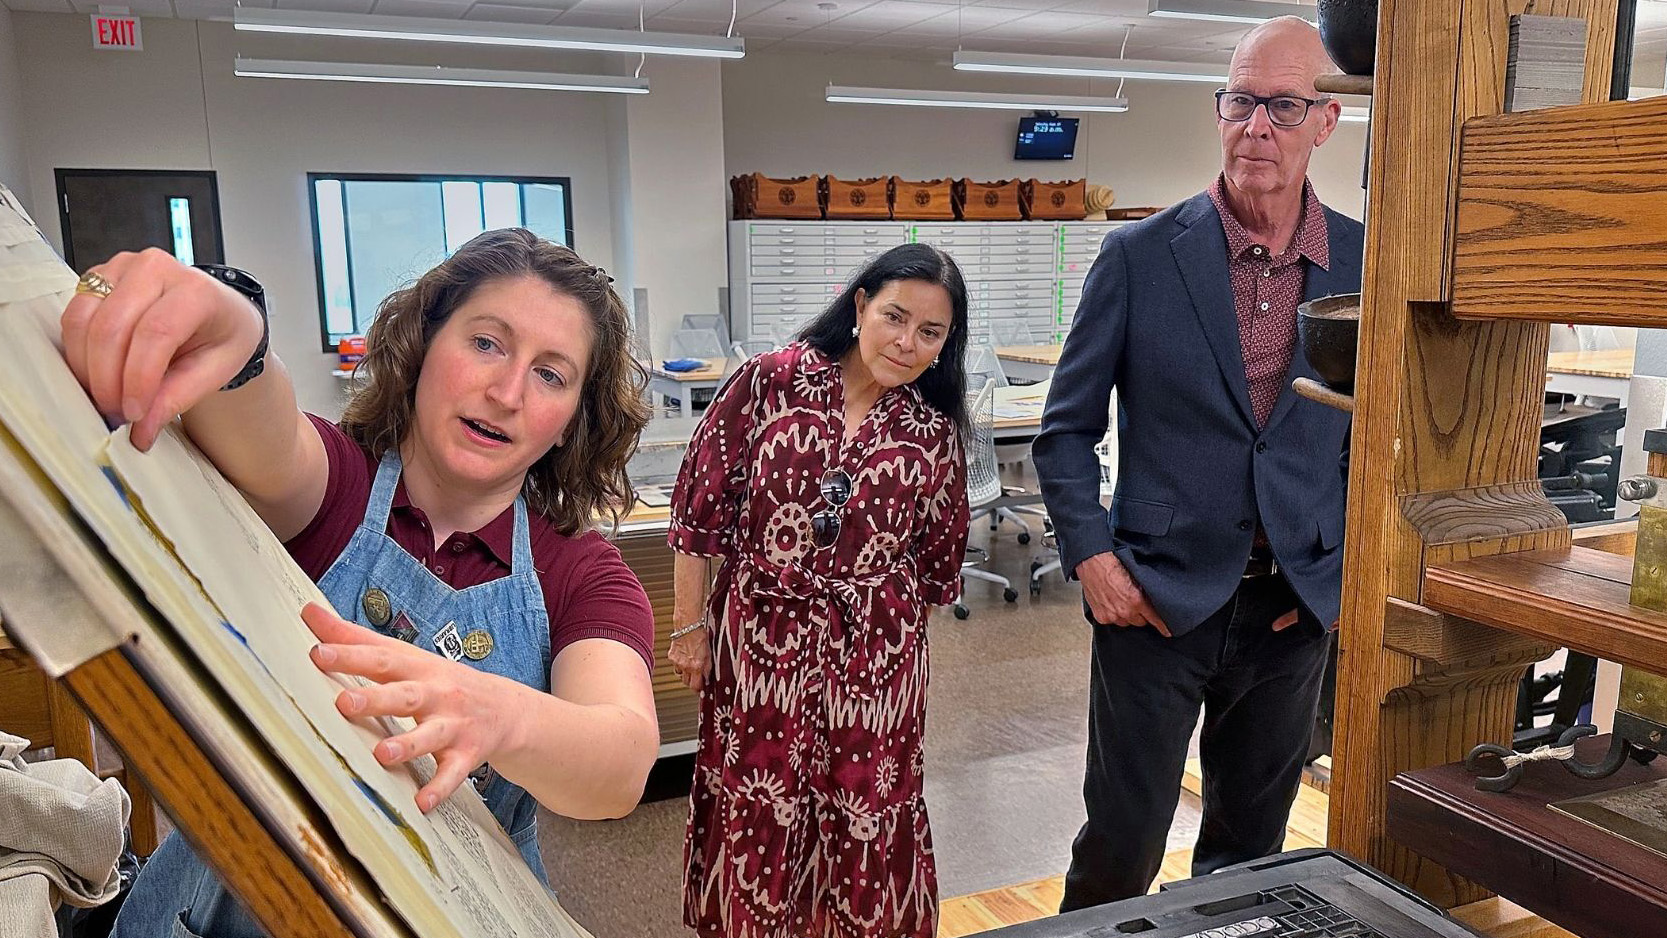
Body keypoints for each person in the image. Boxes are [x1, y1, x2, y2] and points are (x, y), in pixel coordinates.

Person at [59, 228, 660, 937]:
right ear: (422, 347)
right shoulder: (333, 485)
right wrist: (237, 329)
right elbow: (262, 426)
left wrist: (498, 715)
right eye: (486, 343)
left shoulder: (580, 573)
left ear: (569, 424)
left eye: (551, 374)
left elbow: (618, 763)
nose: (505, 392)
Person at [1031, 16, 1366, 910]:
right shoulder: (1141, 256)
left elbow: (1376, 438)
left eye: (1282, 106)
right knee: (1119, 844)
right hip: (1154, 603)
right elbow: (1064, 430)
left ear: (1325, 120)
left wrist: (1334, 578)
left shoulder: (1366, 260)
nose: (1255, 126)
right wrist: (1091, 559)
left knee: (1249, 855)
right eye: (1239, 102)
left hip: (1289, 610)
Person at [665, 243, 972, 938]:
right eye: (895, 317)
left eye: (930, 332)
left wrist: (887, 665)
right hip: (760, 645)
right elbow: (697, 514)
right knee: (759, 797)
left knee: (864, 810)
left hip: (875, 666)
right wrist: (689, 630)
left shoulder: (930, 431)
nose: (906, 342)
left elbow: (932, 566)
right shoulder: (769, 383)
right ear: (860, 304)